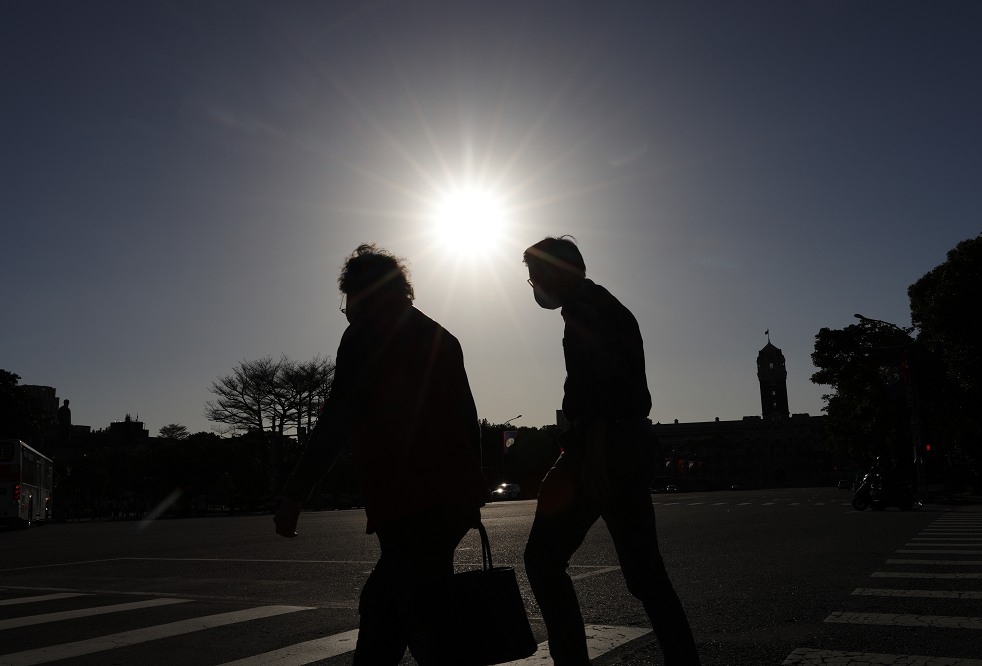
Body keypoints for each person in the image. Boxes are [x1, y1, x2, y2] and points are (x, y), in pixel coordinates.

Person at [274, 243, 489, 665]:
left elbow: (338, 420)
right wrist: (472, 490)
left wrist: (295, 493)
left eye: (346, 299)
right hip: (451, 498)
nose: (346, 310)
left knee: (401, 611)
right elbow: (468, 421)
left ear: (360, 292)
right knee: (403, 609)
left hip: (407, 499)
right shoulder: (442, 336)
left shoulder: (365, 334)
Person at [521, 236, 700, 666]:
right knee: (645, 574)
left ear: (555, 272)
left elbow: (600, 381)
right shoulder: (609, 304)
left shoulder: (583, 307)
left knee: (543, 561)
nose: (532, 286)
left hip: (604, 444)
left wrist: (593, 450)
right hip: (633, 443)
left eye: (534, 276)